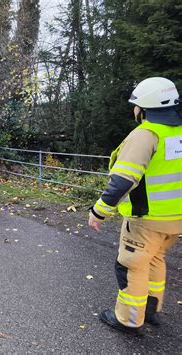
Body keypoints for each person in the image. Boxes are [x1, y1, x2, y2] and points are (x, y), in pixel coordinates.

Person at [88, 77, 181, 335]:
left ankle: (128, 319)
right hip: (175, 220)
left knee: (131, 265)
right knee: (155, 259)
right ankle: (150, 311)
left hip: (146, 219)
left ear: (144, 108)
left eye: (136, 105)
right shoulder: (178, 133)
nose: (135, 110)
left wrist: (99, 211)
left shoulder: (146, 134)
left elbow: (122, 181)